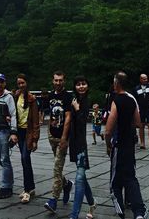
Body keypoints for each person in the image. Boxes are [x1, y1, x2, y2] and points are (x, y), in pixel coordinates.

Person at [102, 71, 147, 219]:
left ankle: (120, 211)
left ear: (116, 83)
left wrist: (108, 145)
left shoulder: (116, 101)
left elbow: (108, 130)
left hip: (118, 144)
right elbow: (138, 122)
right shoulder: (132, 98)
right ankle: (139, 212)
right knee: (130, 178)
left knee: (114, 183)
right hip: (129, 144)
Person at [43, 71, 73, 214]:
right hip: (52, 135)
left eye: (60, 80)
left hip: (62, 137)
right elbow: (48, 114)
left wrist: (64, 138)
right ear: (52, 81)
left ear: (64, 81)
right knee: (58, 168)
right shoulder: (50, 95)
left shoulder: (67, 96)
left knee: (56, 168)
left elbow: (68, 118)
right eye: (56, 80)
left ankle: (53, 200)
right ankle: (66, 185)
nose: (58, 83)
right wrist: (48, 132)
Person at [68, 75, 96, 219]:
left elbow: (81, 121)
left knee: (79, 179)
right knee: (82, 177)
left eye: (84, 84)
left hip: (81, 144)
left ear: (88, 86)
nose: (81, 86)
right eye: (78, 84)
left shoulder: (84, 102)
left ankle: (74, 215)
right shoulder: (74, 100)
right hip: (73, 143)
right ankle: (92, 203)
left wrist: (77, 109)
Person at [13, 74, 40, 203]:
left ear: (27, 83)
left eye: (23, 83)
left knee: (25, 158)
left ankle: (27, 190)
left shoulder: (32, 99)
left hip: (28, 132)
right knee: (25, 160)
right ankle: (30, 187)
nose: (21, 85)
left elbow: (35, 120)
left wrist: (35, 139)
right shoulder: (16, 96)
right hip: (19, 132)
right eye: (19, 83)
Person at [133, 74, 149, 152]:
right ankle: (142, 143)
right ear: (140, 79)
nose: (146, 80)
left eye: (146, 79)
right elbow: (134, 100)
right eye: (144, 79)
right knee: (141, 126)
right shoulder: (136, 88)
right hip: (141, 109)